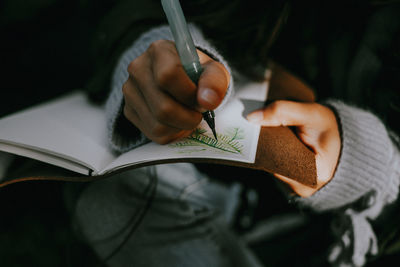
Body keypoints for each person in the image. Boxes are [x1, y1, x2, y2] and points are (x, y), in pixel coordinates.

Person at [66, 0, 400, 266]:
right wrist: (150, 48)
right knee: (110, 194)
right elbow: (136, 11)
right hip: (227, 177)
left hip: (351, 223)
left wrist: (367, 162)